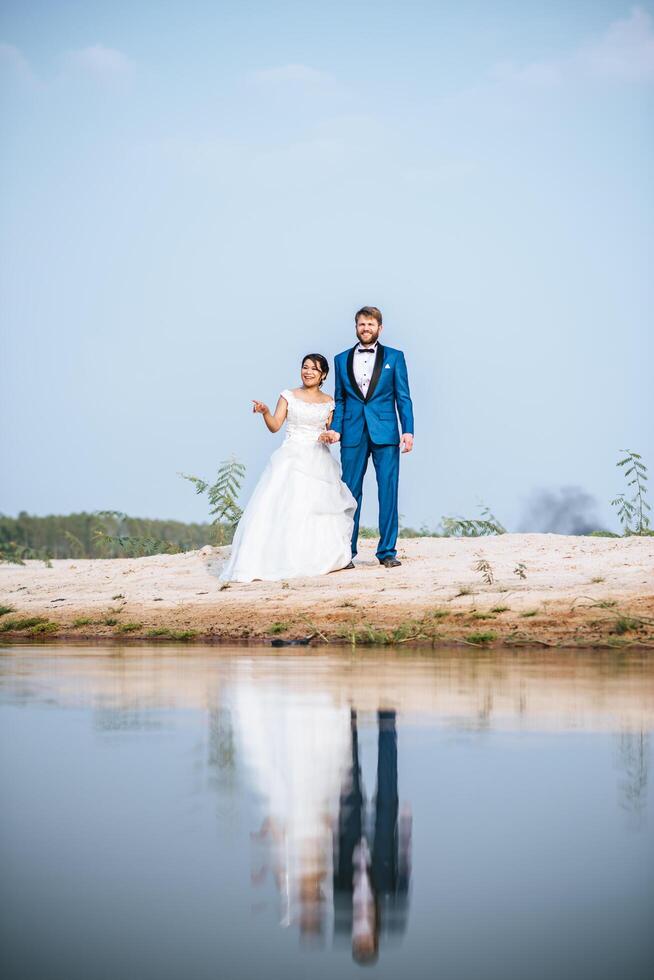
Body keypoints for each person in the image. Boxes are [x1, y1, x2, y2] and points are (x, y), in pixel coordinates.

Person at [220, 353, 356, 583]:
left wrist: (329, 436)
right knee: (285, 506)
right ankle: (280, 558)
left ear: (323, 374)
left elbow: (333, 432)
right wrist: (265, 412)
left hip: (319, 459)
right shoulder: (288, 395)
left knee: (317, 508)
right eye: (305, 367)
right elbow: (275, 426)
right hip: (291, 456)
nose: (308, 371)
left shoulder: (329, 402)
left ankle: (319, 556)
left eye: (314, 368)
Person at [322, 307, 414, 568]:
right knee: (350, 493)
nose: (366, 328)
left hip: (386, 433)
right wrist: (337, 428)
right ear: (355, 327)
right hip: (352, 433)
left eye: (370, 324)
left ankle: (387, 551)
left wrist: (408, 430)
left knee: (388, 491)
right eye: (361, 324)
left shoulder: (395, 357)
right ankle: (345, 552)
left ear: (379, 328)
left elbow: (403, 397)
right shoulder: (341, 359)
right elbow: (340, 399)